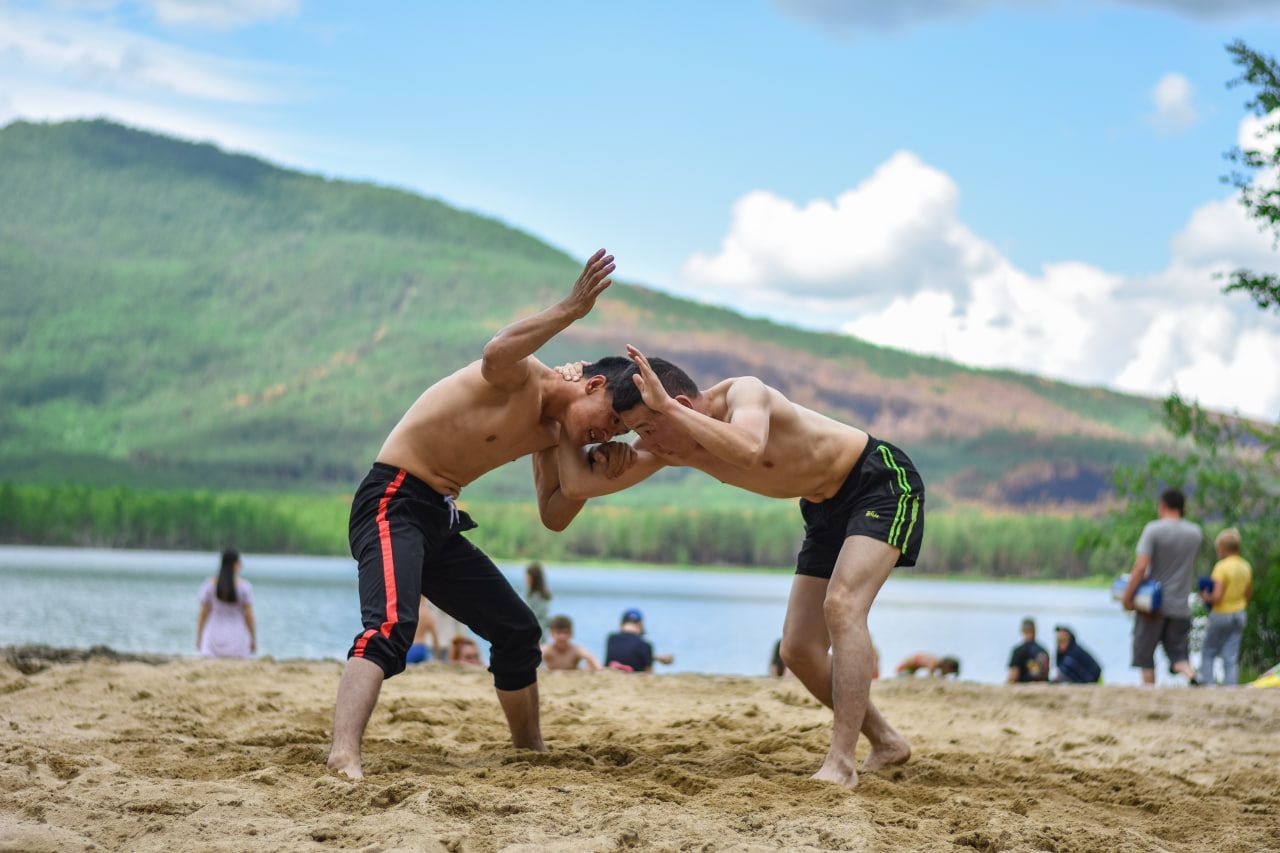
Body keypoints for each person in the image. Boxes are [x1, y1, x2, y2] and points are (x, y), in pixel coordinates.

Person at [326, 249, 634, 780]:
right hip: (393, 497)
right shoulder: (526, 377)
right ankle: (343, 755)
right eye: (607, 422)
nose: (603, 435)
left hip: (439, 515)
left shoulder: (552, 435)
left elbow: (554, 516)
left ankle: (529, 751)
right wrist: (572, 309)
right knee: (391, 628)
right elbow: (495, 352)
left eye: (612, 434)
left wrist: (599, 476)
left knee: (517, 629)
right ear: (593, 384)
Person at [553, 350, 923, 788]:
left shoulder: (744, 392)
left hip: (877, 481)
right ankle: (886, 740)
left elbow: (748, 448)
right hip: (824, 509)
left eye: (648, 429)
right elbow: (578, 487)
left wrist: (666, 410)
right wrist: (555, 419)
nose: (645, 443)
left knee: (842, 606)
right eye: (636, 432)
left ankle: (841, 761)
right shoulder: (672, 447)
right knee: (798, 651)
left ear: (683, 407)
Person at [1121, 488, 1202, 686]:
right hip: (1181, 605)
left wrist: (1128, 596)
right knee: (1179, 656)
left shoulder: (1153, 529)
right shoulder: (1195, 533)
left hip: (1153, 605)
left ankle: (1149, 692)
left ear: (1162, 505)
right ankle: (1192, 676)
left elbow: (1140, 567)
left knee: (1145, 656)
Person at [1199, 527, 1253, 685]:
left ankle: (1208, 685)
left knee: (1208, 651)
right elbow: (1248, 594)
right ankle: (1231, 688)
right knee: (1230, 655)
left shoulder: (1221, 567)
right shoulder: (1245, 566)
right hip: (1240, 613)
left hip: (1222, 614)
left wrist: (1204, 596)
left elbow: (1217, 596)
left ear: (1222, 548)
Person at [196, 549, 256, 659]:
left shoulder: (209, 585)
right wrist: (253, 639)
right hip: (238, 640)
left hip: (213, 640)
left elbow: (203, 614)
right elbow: (249, 616)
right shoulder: (244, 587)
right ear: (235, 565)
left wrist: (199, 637)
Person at [603, 608, 674, 672]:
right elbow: (649, 672)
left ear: (622, 624)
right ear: (641, 625)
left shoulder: (611, 638)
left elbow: (628, 653)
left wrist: (655, 657)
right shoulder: (645, 645)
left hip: (612, 671)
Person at [1007, 617, 1050, 683]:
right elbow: (1046, 673)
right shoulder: (1043, 650)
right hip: (1041, 686)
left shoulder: (1018, 651)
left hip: (1023, 686)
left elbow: (1014, 675)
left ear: (1022, 630)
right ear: (1035, 630)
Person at [405, 598, 438, 665]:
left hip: (410, 648)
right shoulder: (428, 615)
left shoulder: (409, 612)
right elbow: (435, 637)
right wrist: (437, 655)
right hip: (421, 647)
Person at [525, 562, 552, 641]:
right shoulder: (540, 594)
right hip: (539, 632)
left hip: (536, 633)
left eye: (528, 576)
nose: (526, 579)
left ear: (534, 578)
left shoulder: (537, 596)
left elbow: (532, 616)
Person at [895, 653, 959, 678]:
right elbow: (929, 677)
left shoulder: (935, 661)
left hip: (909, 671)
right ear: (947, 666)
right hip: (902, 671)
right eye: (949, 672)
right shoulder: (933, 662)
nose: (947, 674)